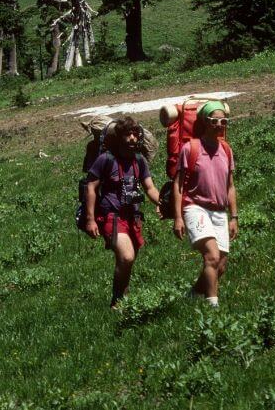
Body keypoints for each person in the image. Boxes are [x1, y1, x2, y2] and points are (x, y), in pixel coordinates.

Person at [82, 115, 161, 309]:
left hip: (132, 216)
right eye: (128, 134)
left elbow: (149, 187)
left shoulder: (140, 161)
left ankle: (122, 300)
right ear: (119, 137)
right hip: (111, 216)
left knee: (127, 260)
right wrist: (90, 220)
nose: (133, 138)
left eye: (135, 133)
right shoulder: (105, 160)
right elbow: (90, 187)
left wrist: (161, 203)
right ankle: (117, 301)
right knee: (126, 257)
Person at [172, 100, 238, 308]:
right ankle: (213, 308)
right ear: (204, 121)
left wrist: (234, 216)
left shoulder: (226, 150)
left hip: (220, 211)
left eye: (223, 121)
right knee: (212, 256)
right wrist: (178, 216)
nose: (219, 125)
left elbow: (230, 186)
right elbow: (178, 185)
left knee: (220, 265)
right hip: (195, 207)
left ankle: (193, 295)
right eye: (214, 120)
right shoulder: (190, 148)